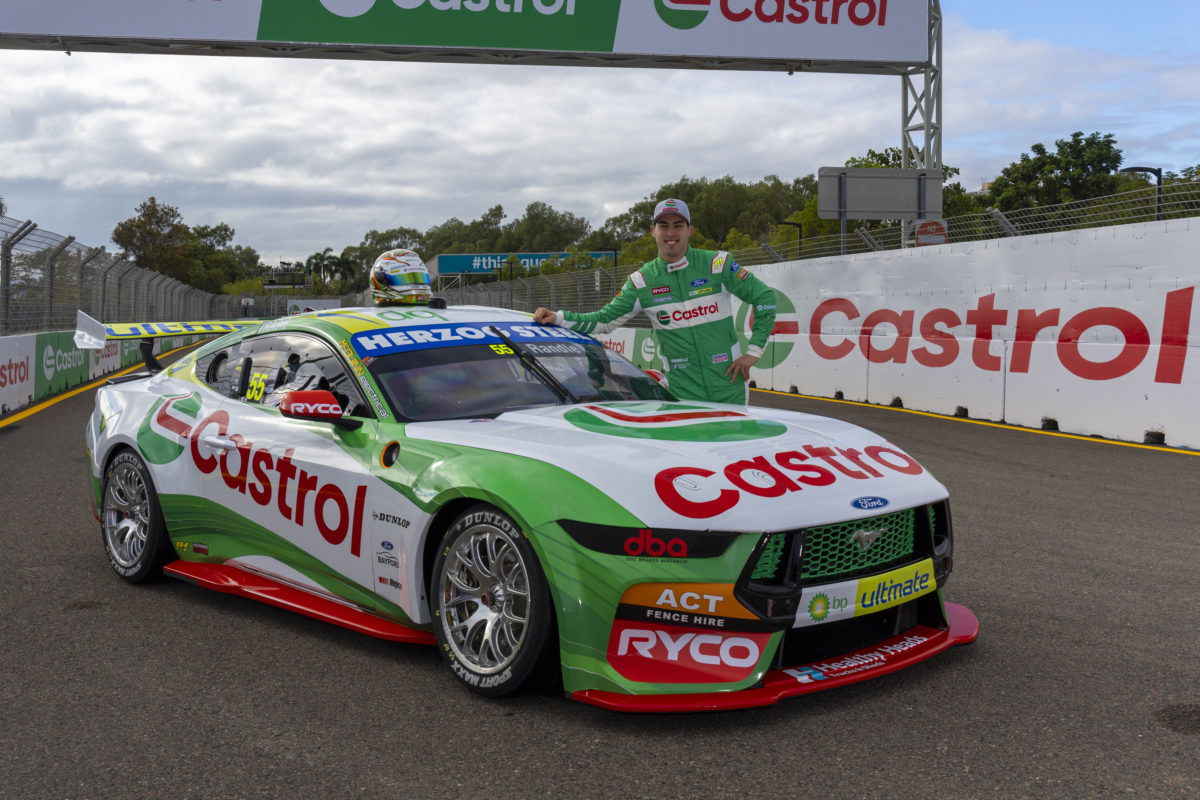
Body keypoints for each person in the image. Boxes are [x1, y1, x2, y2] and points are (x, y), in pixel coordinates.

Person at [533, 198, 776, 404]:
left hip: (730, 390)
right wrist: (559, 318)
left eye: (678, 225)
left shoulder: (718, 264)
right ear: (653, 231)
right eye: (663, 225)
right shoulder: (641, 281)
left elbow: (764, 298)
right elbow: (604, 320)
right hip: (683, 396)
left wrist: (754, 352)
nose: (671, 233)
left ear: (689, 230)